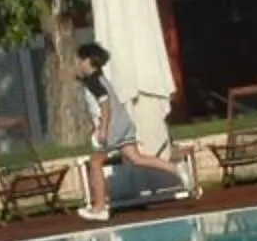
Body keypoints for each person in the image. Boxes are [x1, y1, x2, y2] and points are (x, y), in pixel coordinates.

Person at [71, 42, 194, 223]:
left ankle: (99, 208)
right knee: (136, 158)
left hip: (112, 125)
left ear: (87, 60)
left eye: (79, 60)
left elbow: (105, 104)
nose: (77, 64)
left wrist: (103, 129)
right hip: (125, 122)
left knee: (95, 162)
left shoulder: (92, 81)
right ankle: (176, 169)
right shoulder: (98, 77)